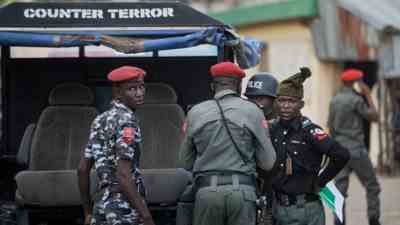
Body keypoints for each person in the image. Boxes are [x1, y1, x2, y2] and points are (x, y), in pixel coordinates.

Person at [179, 62, 276, 225]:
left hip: (207, 194)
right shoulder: (253, 111)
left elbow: (184, 162)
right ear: (239, 86)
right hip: (243, 194)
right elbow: (268, 163)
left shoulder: (195, 112)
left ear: (212, 86)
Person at [270, 67, 350, 225]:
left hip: (306, 209)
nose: (285, 106)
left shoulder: (310, 131)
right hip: (278, 208)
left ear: (301, 104)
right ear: (276, 102)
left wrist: (321, 181)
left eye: (291, 101)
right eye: (282, 100)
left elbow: (341, 155)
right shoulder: (273, 129)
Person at [77, 66, 155, 225]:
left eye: (141, 87)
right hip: (124, 207)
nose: (139, 93)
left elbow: (82, 169)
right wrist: (146, 216)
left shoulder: (100, 119)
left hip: (102, 205)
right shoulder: (128, 121)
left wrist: (88, 212)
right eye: (132, 89)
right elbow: (123, 175)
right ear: (118, 92)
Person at [328, 69, 381, 225]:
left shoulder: (334, 100)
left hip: (340, 151)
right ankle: (374, 220)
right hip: (357, 150)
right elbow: (374, 117)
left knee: (339, 191)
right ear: (356, 83)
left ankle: (338, 222)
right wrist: (368, 95)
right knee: (372, 186)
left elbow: (330, 126)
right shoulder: (356, 100)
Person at [245, 72, 279, 225]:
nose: (255, 103)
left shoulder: (282, 123)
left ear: (273, 100)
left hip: (275, 188)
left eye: (260, 98)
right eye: (251, 98)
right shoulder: (243, 118)